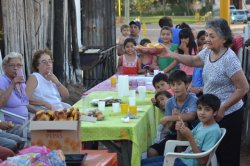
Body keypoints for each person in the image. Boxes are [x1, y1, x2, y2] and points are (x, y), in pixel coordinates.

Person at [158, 18, 249, 166]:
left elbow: (243, 88)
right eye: (206, 35)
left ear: (224, 39)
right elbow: (194, 60)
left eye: (212, 36)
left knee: (227, 157)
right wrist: (171, 55)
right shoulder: (208, 52)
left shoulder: (230, 59)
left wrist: (223, 107)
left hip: (229, 113)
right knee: (211, 155)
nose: (207, 39)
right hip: (212, 110)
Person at [141, 93, 222, 166]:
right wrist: (180, 130)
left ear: (215, 112)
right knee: (140, 163)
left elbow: (203, 162)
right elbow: (181, 148)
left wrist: (190, 137)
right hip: (182, 158)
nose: (202, 112)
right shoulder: (202, 124)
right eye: (199, 108)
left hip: (187, 163)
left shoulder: (213, 131)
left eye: (207, 109)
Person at [147, 70, 198, 157]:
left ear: (186, 84)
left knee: (182, 124)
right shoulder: (170, 102)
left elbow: (191, 116)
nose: (176, 87)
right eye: (173, 85)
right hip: (173, 134)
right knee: (151, 151)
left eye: (179, 84)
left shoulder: (193, 98)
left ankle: (179, 156)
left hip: (193, 135)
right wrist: (172, 119)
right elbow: (169, 127)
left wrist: (170, 118)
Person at [0, 52, 29, 124]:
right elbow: (1, 104)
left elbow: (24, 104)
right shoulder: (2, 80)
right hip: (12, 125)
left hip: (26, 123)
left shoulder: (22, 83)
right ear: (5, 67)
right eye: (12, 65)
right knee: (45, 132)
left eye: (19, 65)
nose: (16, 68)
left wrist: (39, 112)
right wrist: (12, 83)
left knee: (56, 127)